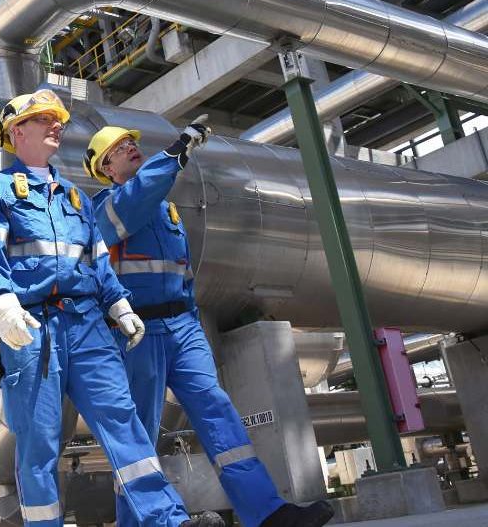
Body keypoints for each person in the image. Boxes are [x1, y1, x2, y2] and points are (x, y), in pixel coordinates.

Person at [0, 89, 224, 527]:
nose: (57, 125)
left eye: (58, 120)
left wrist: (119, 304)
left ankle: (166, 520)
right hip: (33, 328)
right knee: (39, 441)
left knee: (123, 420)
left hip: (87, 324)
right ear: (17, 131)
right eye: (46, 119)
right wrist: (3, 305)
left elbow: (98, 260)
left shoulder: (74, 198)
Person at [84, 119, 336, 527]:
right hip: (136, 333)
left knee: (218, 412)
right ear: (105, 169)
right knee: (139, 435)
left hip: (182, 327)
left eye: (132, 142)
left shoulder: (166, 209)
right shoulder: (105, 208)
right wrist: (175, 152)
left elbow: (180, 270)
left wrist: (191, 319)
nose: (131, 147)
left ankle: (267, 513)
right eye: (119, 148)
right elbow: (139, 197)